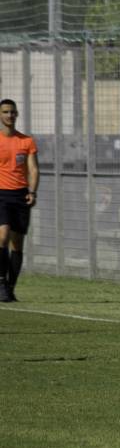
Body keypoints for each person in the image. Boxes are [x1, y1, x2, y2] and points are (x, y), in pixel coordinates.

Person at [0, 99, 39, 303]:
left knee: (17, 245)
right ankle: (1, 282)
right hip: (1, 194)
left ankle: (10, 287)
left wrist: (32, 191)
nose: (9, 115)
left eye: (12, 112)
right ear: (0, 115)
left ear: (17, 114)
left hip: (20, 195)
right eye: (5, 112)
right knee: (2, 236)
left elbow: (33, 169)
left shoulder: (26, 141)